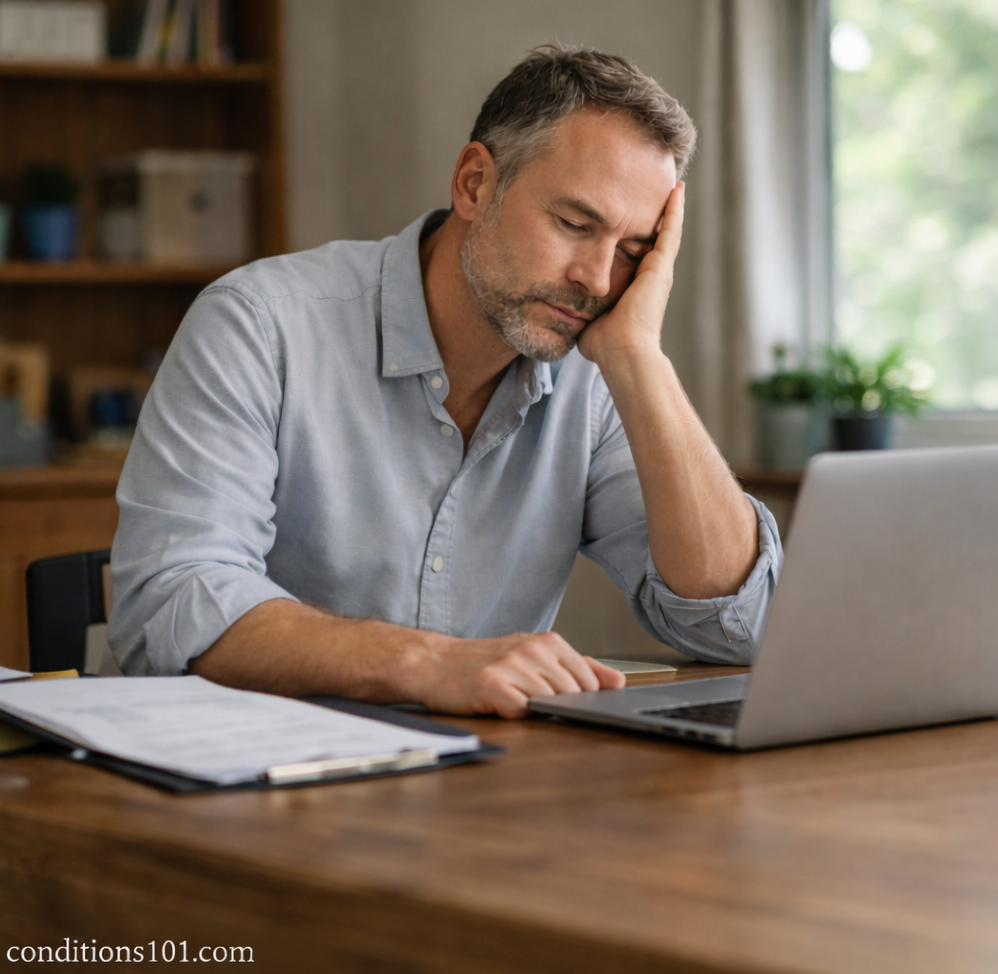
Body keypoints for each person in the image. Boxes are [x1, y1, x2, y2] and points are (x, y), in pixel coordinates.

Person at [109, 46, 781, 718]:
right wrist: (426, 662)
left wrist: (640, 359)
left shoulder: (596, 370)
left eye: (634, 253)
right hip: (238, 785)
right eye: (576, 225)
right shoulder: (260, 325)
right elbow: (172, 607)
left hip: (474, 790)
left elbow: (738, 625)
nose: (600, 280)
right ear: (473, 184)